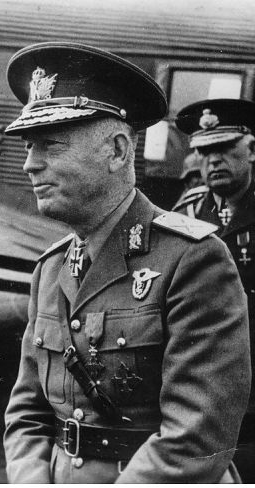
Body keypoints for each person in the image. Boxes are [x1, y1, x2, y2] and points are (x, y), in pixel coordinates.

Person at [2, 42, 251, 483]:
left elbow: (196, 439)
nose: (29, 165)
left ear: (117, 151)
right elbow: (27, 414)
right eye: (27, 147)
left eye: (49, 146)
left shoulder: (192, 259)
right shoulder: (51, 268)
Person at [173, 98, 255, 482]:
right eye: (205, 152)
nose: (214, 161)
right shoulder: (187, 211)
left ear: (251, 150)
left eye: (224, 149)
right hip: (202, 370)